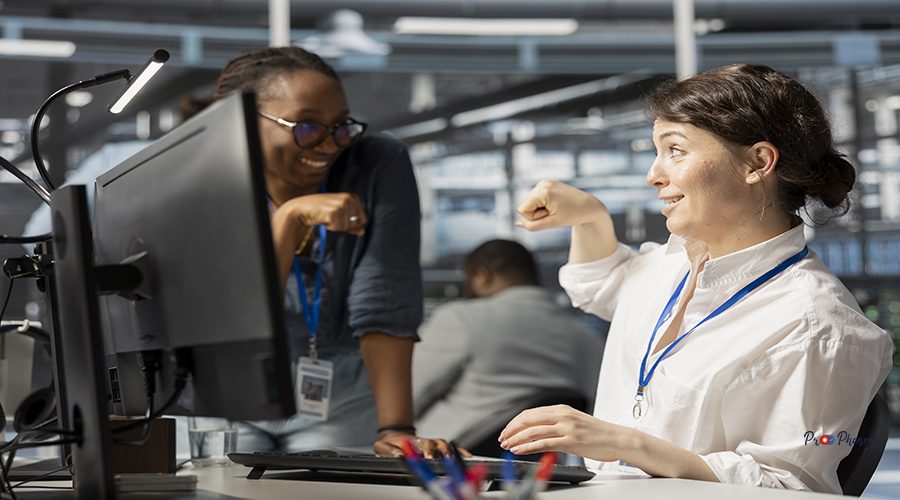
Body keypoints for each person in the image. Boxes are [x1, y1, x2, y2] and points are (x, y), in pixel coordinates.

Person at [498, 64, 892, 493]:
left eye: (675, 150)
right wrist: (591, 217)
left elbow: (788, 488)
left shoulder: (818, 326)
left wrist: (624, 443)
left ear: (757, 163)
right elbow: (601, 286)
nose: (654, 175)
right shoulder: (672, 267)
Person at [211, 46, 450, 457]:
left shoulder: (375, 165)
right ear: (244, 122)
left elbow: (385, 297)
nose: (328, 145)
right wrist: (288, 221)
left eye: (341, 127)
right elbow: (236, 323)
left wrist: (396, 428)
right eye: (306, 126)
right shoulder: (207, 181)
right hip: (226, 389)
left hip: (341, 391)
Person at [412, 239, 604, 449]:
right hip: (550, 467)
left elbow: (409, 396)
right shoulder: (586, 338)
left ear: (481, 275)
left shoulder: (462, 319)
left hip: (448, 462)